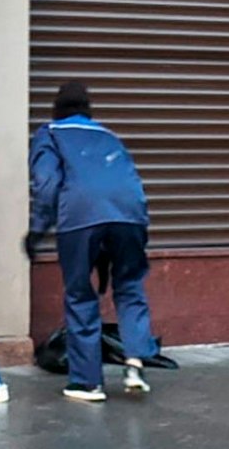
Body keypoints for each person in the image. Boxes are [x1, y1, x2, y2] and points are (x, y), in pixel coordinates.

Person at [26, 81, 157, 402]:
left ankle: (87, 384)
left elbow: (46, 184)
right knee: (129, 287)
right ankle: (136, 362)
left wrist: (38, 229)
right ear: (89, 111)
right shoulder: (108, 136)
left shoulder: (50, 133)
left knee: (80, 294)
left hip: (81, 218)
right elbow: (131, 183)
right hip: (129, 216)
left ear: (56, 110)